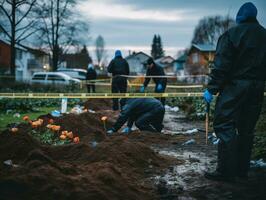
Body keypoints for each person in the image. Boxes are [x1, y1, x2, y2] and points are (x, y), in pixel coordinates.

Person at [203, 2, 266, 182]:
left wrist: (211, 89)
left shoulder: (232, 35)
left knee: (224, 125)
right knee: (246, 129)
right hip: (257, 88)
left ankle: (226, 171)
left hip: (235, 87)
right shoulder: (264, 35)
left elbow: (222, 65)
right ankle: (241, 170)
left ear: (239, 18)